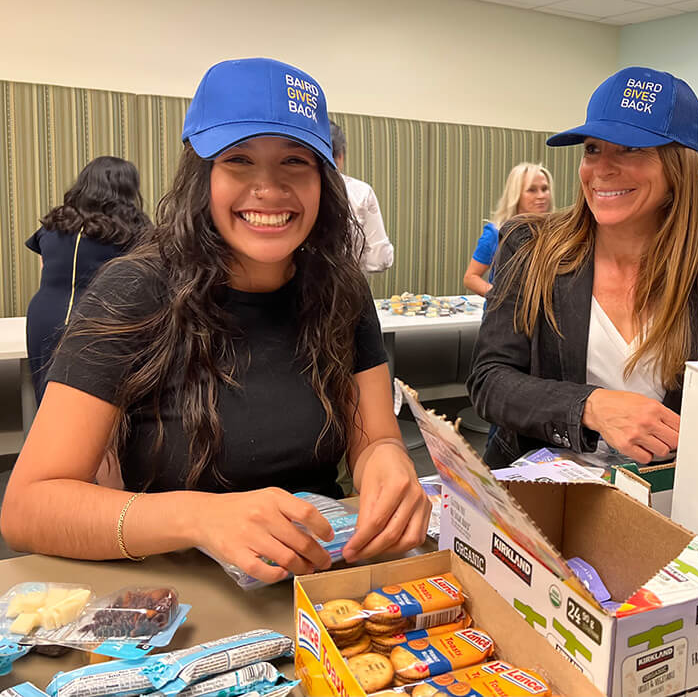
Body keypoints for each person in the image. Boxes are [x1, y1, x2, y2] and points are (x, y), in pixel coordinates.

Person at [0, 58, 430, 581]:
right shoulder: (135, 289)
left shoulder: (341, 288)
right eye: (239, 161)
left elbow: (376, 440)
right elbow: (27, 507)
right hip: (177, 598)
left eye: (296, 161)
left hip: (317, 587)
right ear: (202, 176)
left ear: (325, 179)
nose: (269, 189)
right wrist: (198, 517)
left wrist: (387, 462)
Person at [468, 66, 698, 470]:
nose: (601, 169)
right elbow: (489, 381)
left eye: (631, 149)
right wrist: (590, 406)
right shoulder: (533, 247)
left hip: (658, 494)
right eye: (592, 149)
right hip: (544, 485)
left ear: (678, 169)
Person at [24, 156, 151, 404]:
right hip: (98, 318)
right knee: (92, 402)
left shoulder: (54, 223)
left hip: (43, 315)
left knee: (47, 396)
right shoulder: (134, 230)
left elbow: (44, 265)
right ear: (126, 189)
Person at [463, 163, 553, 296]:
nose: (541, 196)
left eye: (545, 189)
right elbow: (471, 278)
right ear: (516, 194)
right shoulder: (495, 233)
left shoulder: (555, 232)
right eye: (532, 190)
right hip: (505, 315)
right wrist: (500, 298)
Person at [330, 121, 394, 273]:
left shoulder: (288, 192)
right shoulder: (361, 192)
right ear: (340, 156)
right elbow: (379, 260)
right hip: (348, 292)